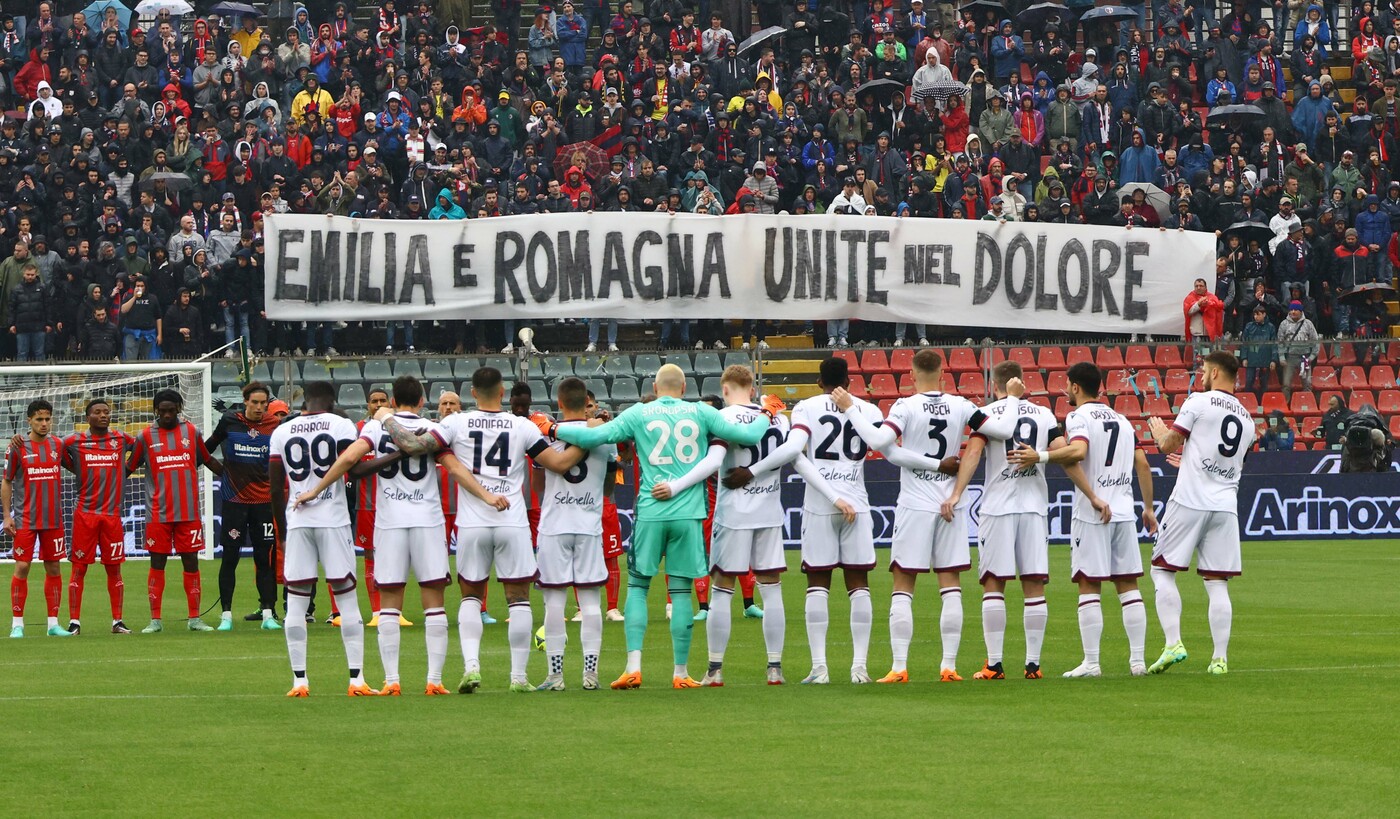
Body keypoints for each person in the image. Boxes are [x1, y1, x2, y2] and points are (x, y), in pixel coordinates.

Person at [551, 363, 769, 690]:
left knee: (638, 588)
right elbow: (750, 435)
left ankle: (633, 667)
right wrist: (767, 412)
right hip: (688, 513)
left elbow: (592, 435)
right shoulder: (701, 412)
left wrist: (552, 429)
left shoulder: (639, 412)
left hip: (652, 511)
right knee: (680, 593)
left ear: (655, 386)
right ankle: (680, 673)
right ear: (684, 388)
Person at [380, 366, 586, 693]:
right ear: (502, 393)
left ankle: (471, 667)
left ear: (472, 394)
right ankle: (518, 678)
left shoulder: (455, 422)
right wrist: (594, 435)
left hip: (473, 522)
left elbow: (412, 445)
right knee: (518, 598)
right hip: (512, 521)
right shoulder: (522, 426)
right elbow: (559, 464)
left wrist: (386, 417)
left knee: (471, 596)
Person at [295, 375, 506, 696]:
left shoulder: (375, 428)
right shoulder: (433, 428)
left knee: (390, 604)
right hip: (428, 522)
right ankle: (434, 680)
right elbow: (454, 468)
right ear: (422, 401)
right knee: (434, 603)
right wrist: (487, 495)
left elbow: (350, 460)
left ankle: (391, 681)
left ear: (392, 401)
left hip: (390, 523)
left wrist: (314, 489)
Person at [831, 349, 1020, 683]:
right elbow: (1004, 431)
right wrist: (1015, 399)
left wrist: (850, 409)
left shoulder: (905, 406)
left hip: (915, 503)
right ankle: (949, 666)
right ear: (944, 374)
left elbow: (878, 441)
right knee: (951, 584)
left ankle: (900, 667)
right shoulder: (962, 405)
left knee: (904, 584)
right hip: (949, 502)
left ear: (911, 375)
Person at [653, 367, 844, 686]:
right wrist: (835, 496)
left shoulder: (722, 418)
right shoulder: (777, 418)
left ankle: (715, 670)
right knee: (771, 589)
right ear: (752, 387)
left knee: (722, 590)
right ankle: (775, 668)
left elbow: (713, 463)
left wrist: (675, 486)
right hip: (769, 512)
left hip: (733, 515)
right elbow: (798, 459)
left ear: (724, 389)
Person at [727, 357, 872, 685]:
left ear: (820, 381)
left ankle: (819, 668)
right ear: (849, 381)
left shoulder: (806, 407)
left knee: (817, 585)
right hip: (858, 505)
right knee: (858, 585)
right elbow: (882, 445)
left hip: (820, 506)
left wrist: (751, 470)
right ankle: (859, 668)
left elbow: (795, 452)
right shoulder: (868, 409)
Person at [1009, 362, 1158, 677]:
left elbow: (1077, 451)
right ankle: (1138, 662)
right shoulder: (1122, 418)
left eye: (1067, 385)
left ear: (1076, 387)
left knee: (1089, 584)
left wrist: (1041, 456)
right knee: (1128, 585)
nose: (1066, 390)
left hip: (1094, 512)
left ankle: (1092, 662)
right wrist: (1148, 508)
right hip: (1123, 509)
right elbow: (1142, 463)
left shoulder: (1078, 417)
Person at [943, 361, 1076, 680]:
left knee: (994, 584)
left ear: (995, 386)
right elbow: (1065, 452)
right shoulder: (1044, 414)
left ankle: (994, 664)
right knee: (1033, 584)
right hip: (1034, 507)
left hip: (998, 507)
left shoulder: (989, 413)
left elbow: (973, 453)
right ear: (1021, 382)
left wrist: (957, 493)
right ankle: (1033, 664)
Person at [267, 381, 379, 697]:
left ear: (305, 400)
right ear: (331, 401)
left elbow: (275, 487)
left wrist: (284, 531)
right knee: (346, 599)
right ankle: (356, 680)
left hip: (298, 520)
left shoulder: (282, 431)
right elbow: (353, 471)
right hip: (333, 519)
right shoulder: (341, 424)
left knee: (296, 603)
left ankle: (299, 681)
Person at [1147, 352, 1256, 676]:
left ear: (1217, 372)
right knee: (1217, 581)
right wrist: (1191, 460)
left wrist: (1157, 432)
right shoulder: (1248, 421)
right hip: (1225, 505)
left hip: (1190, 500)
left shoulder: (1198, 401)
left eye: (1205, 370)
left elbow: (1168, 444)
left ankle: (1173, 644)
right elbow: (1231, 462)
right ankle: (1219, 659)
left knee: (1161, 571)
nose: (1201, 375)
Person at [534, 377, 615, 691]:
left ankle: (555, 676)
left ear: (559, 401)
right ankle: (590, 674)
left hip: (554, 526)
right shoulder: (604, 437)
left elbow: (539, 482)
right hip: (588, 525)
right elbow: (610, 482)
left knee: (554, 604)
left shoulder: (545, 435)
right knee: (591, 603)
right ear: (588, 403)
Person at [127, 389, 225, 633]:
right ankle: (155, 620)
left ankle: (194, 618)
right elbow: (128, 467)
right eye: (163, 410)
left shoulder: (191, 432)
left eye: (172, 410)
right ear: (156, 410)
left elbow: (207, 460)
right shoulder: (145, 437)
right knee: (157, 562)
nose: (168, 414)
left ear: (179, 409)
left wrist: (234, 480)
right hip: (158, 513)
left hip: (189, 512)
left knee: (191, 562)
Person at [205, 381, 282, 631]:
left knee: (264, 558)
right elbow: (206, 449)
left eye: (264, 403)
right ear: (245, 400)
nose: (260, 407)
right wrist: (220, 470)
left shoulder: (276, 426)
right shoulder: (230, 421)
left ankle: (268, 613)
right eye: (255, 402)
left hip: (263, 502)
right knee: (230, 557)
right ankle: (226, 615)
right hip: (234, 501)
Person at [61, 399, 135, 635]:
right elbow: (56, 450)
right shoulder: (74, 441)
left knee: (114, 569)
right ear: (87, 418)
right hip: (86, 514)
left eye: (106, 412)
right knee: (79, 569)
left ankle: (118, 621)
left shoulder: (121, 439)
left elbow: (144, 446)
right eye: (97, 412)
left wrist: (127, 470)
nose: (103, 415)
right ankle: (74, 622)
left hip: (112, 515)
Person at [3, 400, 73, 638]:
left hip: (53, 519)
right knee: (22, 566)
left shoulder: (58, 444)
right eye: (39, 420)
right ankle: (17, 624)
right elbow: (7, 481)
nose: (44, 424)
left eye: (47, 419)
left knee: (53, 567)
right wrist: (6, 516)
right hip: (25, 519)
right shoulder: (17, 447)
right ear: (29, 421)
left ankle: (53, 624)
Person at [350, 387, 393, 627]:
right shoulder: (357, 430)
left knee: (394, 557)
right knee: (370, 556)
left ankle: (393, 611)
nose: (378, 404)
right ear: (367, 404)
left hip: (394, 503)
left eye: (382, 400)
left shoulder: (397, 427)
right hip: (367, 504)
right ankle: (376, 612)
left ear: (391, 403)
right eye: (373, 401)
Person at [1277, 300, 1320, 401]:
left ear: (1301, 311)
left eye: (1295, 310)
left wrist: (1312, 357)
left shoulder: (1308, 324)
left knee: (1307, 384)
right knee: (1286, 384)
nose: (1293, 312)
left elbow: (1315, 341)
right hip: (1290, 358)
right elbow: (1280, 342)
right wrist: (1281, 356)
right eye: (1291, 310)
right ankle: (1285, 405)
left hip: (1305, 358)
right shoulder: (1284, 324)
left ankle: (1307, 403)